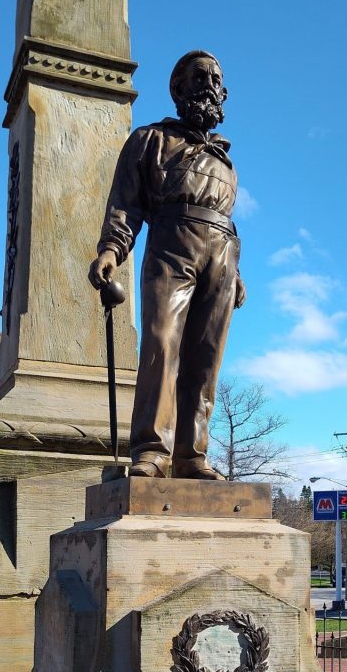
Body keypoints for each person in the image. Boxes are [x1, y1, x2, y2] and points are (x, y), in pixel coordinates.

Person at [88, 50, 245, 479]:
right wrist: (112, 250)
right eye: (199, 76)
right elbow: (125, 203)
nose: (210, 83)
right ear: (177, 89)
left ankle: (191, 455)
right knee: (161, 344)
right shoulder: (149, 139)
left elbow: (227, 222)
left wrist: (237, 273)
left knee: (205, 359)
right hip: (171, 247)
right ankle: (153, 449)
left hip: (222, 258)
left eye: (216, 77)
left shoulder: (225, 161)